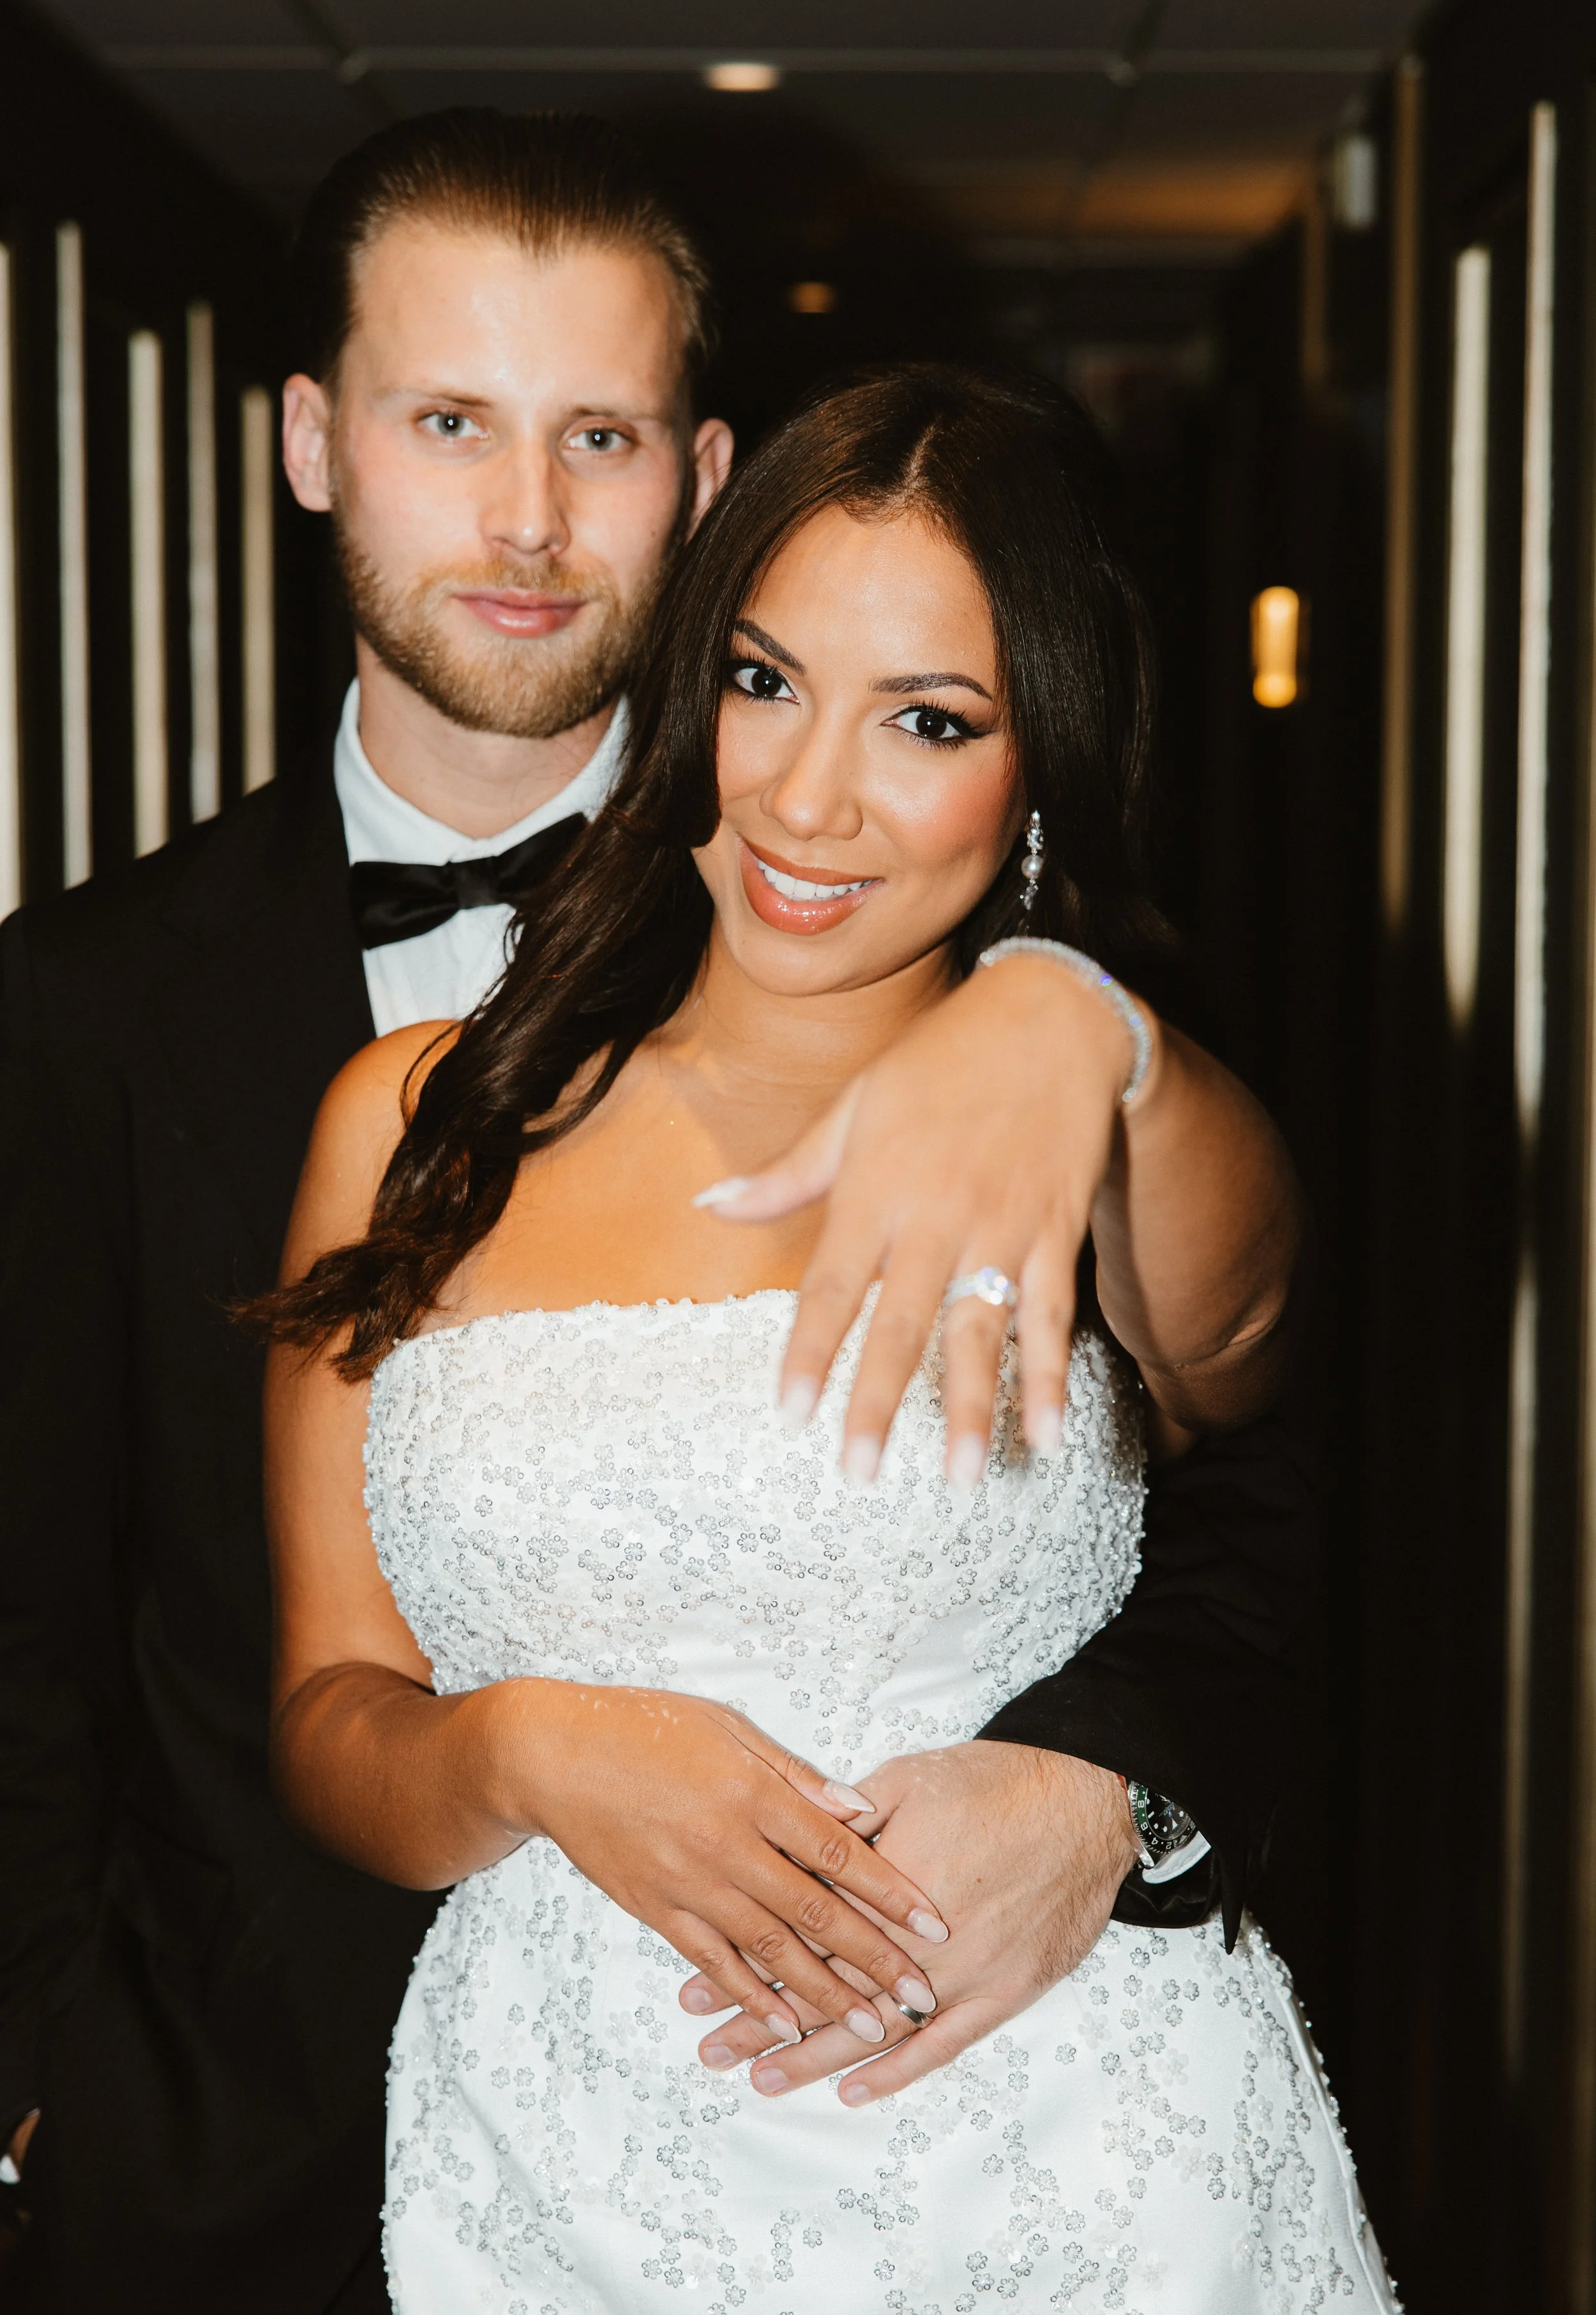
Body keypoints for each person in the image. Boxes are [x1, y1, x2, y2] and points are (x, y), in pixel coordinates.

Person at [0, 110, 1313, 2315]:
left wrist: (1072, 1010)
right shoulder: (86, 1011)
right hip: (253, 2160)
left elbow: (1264, 1471)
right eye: (450, 423)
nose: (524, 520)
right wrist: (39, 2091)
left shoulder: (1048, 1034)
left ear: (698, 482)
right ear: (316, 440)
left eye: (594, 434)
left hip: (1018, 2133)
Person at [259, 363, 1393, 2312]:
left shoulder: (1111, 1119)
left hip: (1077, 2158)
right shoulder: (410, 1122)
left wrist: (1082, 1029)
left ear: (1039, 761)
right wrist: (525, 1749)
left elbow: (1262, 1339)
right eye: (766, 681)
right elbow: (328, 1708)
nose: (805, 794)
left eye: (929, 720)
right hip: (555, 2169)